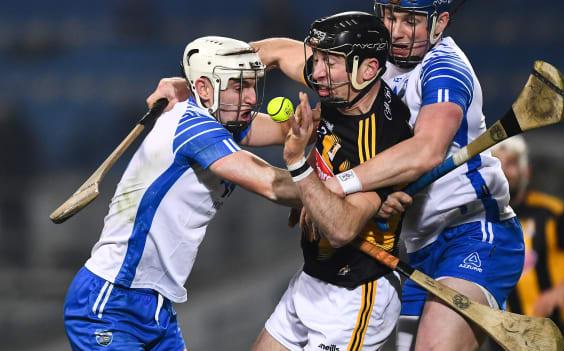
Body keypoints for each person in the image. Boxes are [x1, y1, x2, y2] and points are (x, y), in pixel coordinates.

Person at [63, 36, 302, 351]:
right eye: (238, 86)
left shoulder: (218, 117)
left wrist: (334, 120)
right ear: (204, 88)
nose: (250, 97)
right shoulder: (194, 129)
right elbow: (274, 185)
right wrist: (350, 188)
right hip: (111, 302)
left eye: (252, 86)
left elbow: (288, 130)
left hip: (156, 309)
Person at [312, 1, 525, 350]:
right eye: (390, 16)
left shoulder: (444, 68)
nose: (395, 31)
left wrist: (343, 185)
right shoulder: (373, 63)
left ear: (439, 22)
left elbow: (427, 150)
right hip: (408, 246)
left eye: (410, 21)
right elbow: (295, 56)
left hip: (471, 232)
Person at [252, 12, 414, 351]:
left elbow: (341, 228)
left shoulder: (383, 139)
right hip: (314, 277)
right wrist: (205, 91)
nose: (316, 71)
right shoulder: (344, 93)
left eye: (330, 61)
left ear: (368, 69)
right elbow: (275, 50)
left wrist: (298, 164)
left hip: (354, 294)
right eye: (318, 58)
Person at [491, 136, 564, 351]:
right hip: (504, 334)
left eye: (512, 163)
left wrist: (561, 291)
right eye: (497, 163)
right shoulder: (481, 218)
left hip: (555, 328)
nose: (505, 172)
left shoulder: (551, 212)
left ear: (527, 171)